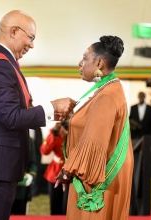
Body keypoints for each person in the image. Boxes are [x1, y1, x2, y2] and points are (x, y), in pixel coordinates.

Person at [0, 10, 76, 220]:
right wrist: (51, 108)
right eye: (31, 38)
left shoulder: (4, 61)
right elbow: (12, 117)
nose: (32, 45)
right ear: (14, 31)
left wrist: (53, 112)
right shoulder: (0, 64)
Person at [54, 36, 133, 220]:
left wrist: (67, 170)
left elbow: (93, 142)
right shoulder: (107, 88)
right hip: (97, 174)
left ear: (99, 62)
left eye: (84, 58)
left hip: (95, 180)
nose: (79, 63)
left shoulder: (107, 95)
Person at [40, 121, 69, 215]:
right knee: (55, 205)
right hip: (55, 171)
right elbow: (44, 151)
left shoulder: (75, 132)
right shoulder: (56, 132)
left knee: (67, 207)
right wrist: (53, 133)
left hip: (70, 172)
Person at [11, 137, 37, 215]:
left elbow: (33, 163)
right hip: (1, 189)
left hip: (21, 189)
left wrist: (31, 176)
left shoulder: (29, 140)